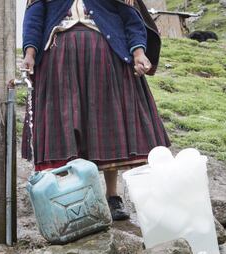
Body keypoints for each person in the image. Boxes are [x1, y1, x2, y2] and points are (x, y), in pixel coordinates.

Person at [21, 0, 171, 220]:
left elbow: (131, 18)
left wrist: (139, 52)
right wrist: (30, 54)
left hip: (106, 58)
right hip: (58, 61)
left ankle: (112, 196)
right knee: (65, 128)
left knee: (108, 126)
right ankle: (72, 197)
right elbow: (34, 19)